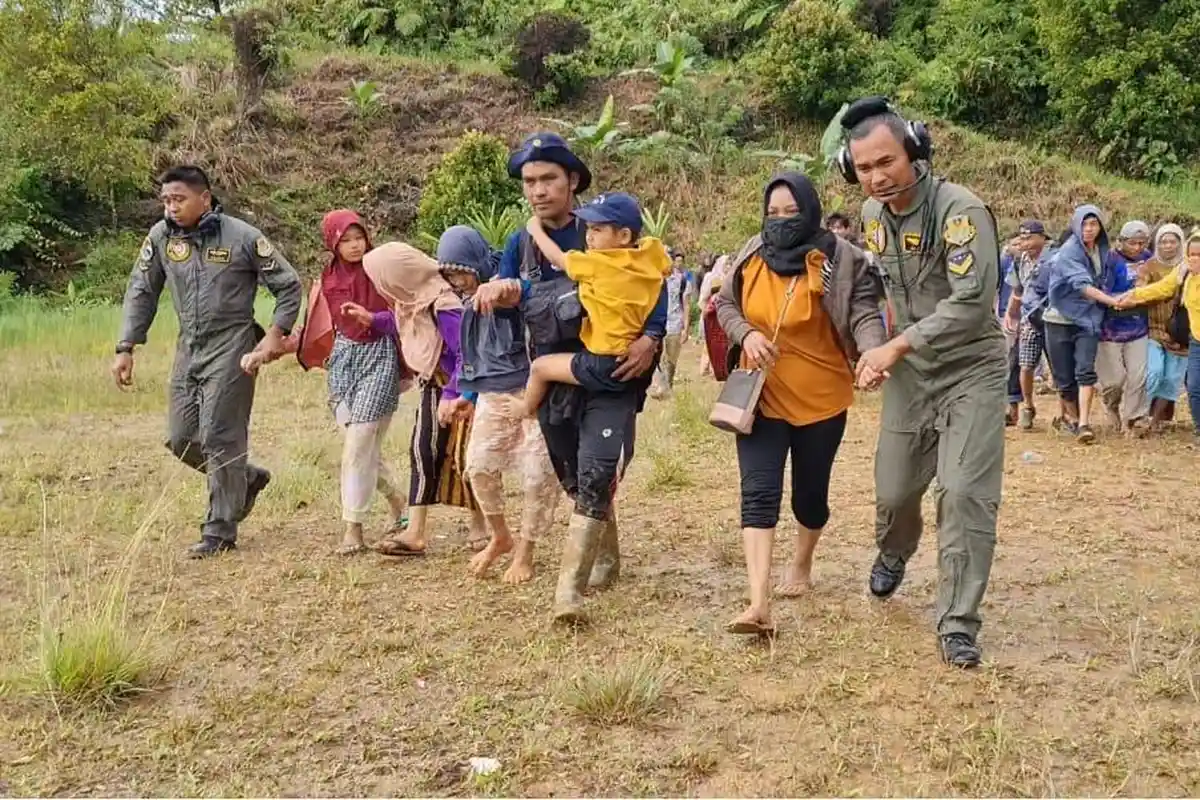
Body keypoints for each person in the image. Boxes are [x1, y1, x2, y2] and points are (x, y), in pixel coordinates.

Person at [473, 132, 668, 624]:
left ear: (572, 181)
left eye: (548, 179)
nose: (538, 190)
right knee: (572, 471)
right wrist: (500, 291)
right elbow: (512, 287)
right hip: (556, 370)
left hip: (612, 369)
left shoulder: (602, 232)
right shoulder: (521, 241)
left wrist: (652, 337)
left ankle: (572, 589)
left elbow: (651, 287)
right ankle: (606, 552)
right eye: (529, 182)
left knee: (600, 465)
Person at [838, 96, 1004, 668]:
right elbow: (872, 294)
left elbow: (973, 302)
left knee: (961, 493)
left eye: (886, 162)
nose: (878, 177)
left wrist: (895, 345)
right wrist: (871, 349)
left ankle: (958, 621)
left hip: (972, 366)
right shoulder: (869, 219)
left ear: (914, 150)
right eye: (864, 168)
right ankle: (894, 551)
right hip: (910, 370)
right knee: (893, 490)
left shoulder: (961, 211)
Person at [714, 172, 886, 637]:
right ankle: (757, 602)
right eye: (773, 212)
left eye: (791, 211)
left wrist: (872, 352)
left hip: (822, 399)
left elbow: (865, 311)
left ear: (809, 210)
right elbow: (725, 304)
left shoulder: (841, 258)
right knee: (758, 493)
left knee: (810, 496)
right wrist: (746, 334)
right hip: (760, 395)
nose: (781, 221)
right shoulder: (753, 252)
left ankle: (803, 562)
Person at [112, 165, 301, 558]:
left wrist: (273, 337)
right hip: (189, 345)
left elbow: (288, 286)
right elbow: (141, 290)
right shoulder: (162, 237)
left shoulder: (242, 237)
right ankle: (244, 479)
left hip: (233, 344)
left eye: (179, 199)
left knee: (220, 436)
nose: (171, 207)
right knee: (181, 438)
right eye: (165, 200)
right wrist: (126, 345)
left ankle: (219, 532)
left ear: (205, 197)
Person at [435, 225, 562, 582]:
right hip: (494, 393)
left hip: (533, 391)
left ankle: (526, 552)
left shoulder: (505, 289)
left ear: (475, 264)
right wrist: (468, 395)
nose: (456, 280)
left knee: (538, 474)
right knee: (478, 465)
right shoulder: (469, 304)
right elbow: (479, 356)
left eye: (460, 271)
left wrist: (508, 293)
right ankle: (501, 536)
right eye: (450, 274)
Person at [361, 242, 486, 556]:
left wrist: (454, 393)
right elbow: (408, 325)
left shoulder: (443, 304)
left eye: (381, 279)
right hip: (434, 383)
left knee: (466, 457)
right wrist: (374, 320)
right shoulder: (414, 299)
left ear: (398, 278)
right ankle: (415, 532)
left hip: (457, 388)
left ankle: (481, 522)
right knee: (423, 451)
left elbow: (466, 353)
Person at [310, 210, 409, 554]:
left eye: (359, 238)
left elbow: (407, 313)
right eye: (345, 240)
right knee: (361, 445)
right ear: (332, 244)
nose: (354, 246)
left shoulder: (380, 270)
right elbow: (319, 322)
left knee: (358, 443)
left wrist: (374, 318)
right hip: (343, 360)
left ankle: (353, 527)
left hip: (379, 357)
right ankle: (398, 500)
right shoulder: (327, 277)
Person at [519, 194, 671, 416]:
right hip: (632, 356)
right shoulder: (649, 255)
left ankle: (524, 408)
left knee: (540, 368)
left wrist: (535, 230)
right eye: (588, 228)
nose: (589, 237)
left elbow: (557, 258)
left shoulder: (596, 263)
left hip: (604, 362)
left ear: (624, 235)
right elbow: (662, 268)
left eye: (597, 230)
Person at [1044, 205, 1122, 444]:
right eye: (1085, 224)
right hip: (1059, 319)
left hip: (1088, 318)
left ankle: (1085, 423)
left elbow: (1104, 280)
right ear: (1076, 225)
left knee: (1085, 371)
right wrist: (1112, 301)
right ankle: (1075, 419)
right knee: (1064, 379)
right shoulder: (1068, 252)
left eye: (1094, 224)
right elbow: (1083, 286)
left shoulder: (1102, 251)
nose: (1089, 229)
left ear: (1100, 227)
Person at [1117, 232, 1200, 440]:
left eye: (1199, 255)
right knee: (1192, 387)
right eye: (1191, 254)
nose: (1195, 259)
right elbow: (1160, 289)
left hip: (1186, 339)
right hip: (1191, 338)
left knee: (1177, 381)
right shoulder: (1184, 272)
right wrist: (1132, 296)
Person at [1096, 220, 1153, 434]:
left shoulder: (1148, 259)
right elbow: (1100, 290)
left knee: (1139, 375)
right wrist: (1121, 299)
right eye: (1132, 243)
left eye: (1142, 243)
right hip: (1109, 329)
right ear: (1121, 241)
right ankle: (1111, 406)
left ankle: (1134, 417)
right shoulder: (1110, 260)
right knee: (1114, 380)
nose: (1138, 247)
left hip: (1138, 327)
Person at [1135, 224, 1188, 430]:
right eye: (1163, 241)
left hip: (1181, 334)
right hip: (1153, 330)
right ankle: (1140, 414)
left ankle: (1156, 421)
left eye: (1173, 241)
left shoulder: (1189, 267)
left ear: (1180, 243)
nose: (1168, 246)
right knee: (1154, 372)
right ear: (1157, 244)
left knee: (1171, 380)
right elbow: (1140, 289)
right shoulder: (1148, 266)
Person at [1001, 220, 1053, 430]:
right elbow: (1018, 289)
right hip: (1029, 318)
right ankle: (1026, 407)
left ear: (1042, 237)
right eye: (1022, 238)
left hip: (1054, 318)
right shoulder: (1019, 260)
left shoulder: (1053, 259)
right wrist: (1011, 314)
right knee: (1024, 363)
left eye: (1030, 237)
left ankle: (1067, 414)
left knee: (1059, 368)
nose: (1026, 242)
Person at [648, 248, 693, 399]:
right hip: (658, 324)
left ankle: (668, 385)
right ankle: (661, 387)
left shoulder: (682, 280)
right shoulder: (654, 278)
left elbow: (686, 304)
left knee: (672, 359)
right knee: (657, 357)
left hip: (675, 323)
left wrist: (686, 328)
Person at [697, 254, 729, 376]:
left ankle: (715, 369)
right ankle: (704, 369)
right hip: (710, 315)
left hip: (722, 317)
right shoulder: (710, 277)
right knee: (708, 344)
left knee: (720, 345)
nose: (728, 266)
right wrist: (707, 311)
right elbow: (703, 298)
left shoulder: (729, 277)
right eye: (725, 264)